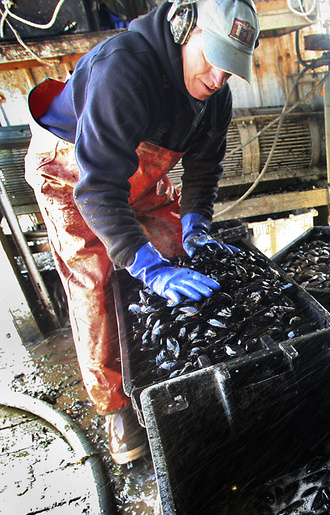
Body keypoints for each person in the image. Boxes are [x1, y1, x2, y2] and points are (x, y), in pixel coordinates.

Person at [24, 0, 259, 464]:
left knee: (181, 251)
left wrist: (195, 223)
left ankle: (182, 372)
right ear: (182, 29)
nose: (217, 78)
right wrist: (143, 262)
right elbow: (96, 192)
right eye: (212, 60)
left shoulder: (216, 98)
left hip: (134, 171)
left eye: (230, 70)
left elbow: (204, 169)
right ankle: (116, 406)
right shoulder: (124, 69)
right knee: (95, 282)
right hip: (70, 170)